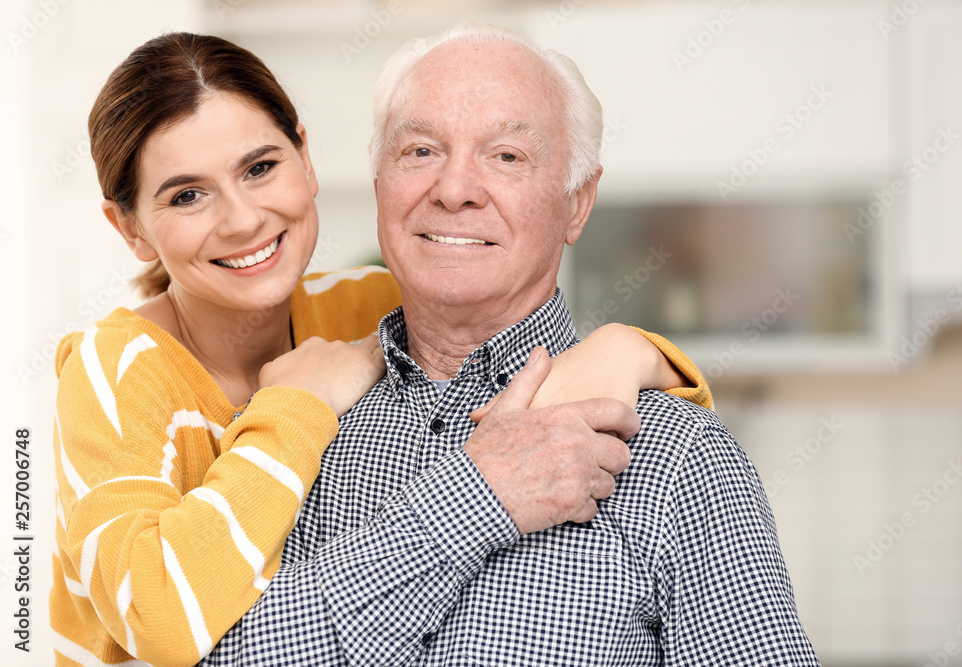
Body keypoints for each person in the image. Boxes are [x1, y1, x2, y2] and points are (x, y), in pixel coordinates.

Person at [50, 32, 713, 667]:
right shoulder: (112, 372)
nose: (243, 219)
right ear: (130, 229)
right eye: (187, 195)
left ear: (305, 159)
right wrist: (292, 407)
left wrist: (626, 349)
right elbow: (163, 618)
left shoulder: (360, 304)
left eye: (260, 168)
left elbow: (481, 310)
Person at [200, 22, 822, 666]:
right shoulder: (286, 433)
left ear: (577, 204)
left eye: (506, 156)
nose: (454, 188)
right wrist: (475, 498)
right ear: (380, 183)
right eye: (419, 151)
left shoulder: (680, 460)